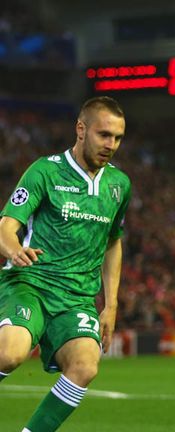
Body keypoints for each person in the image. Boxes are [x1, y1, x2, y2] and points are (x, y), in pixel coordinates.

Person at [0, 96, 131, 431]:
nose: (111, 145)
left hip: (76, 298)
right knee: (10, 354)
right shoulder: (45, 171)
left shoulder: (119, 185)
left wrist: (111, 304)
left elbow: (113, 241)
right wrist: (14, 250)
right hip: (30, 283)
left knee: (85, 365)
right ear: (81, 129)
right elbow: (6, 227)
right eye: (104, 135)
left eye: (117, 137)